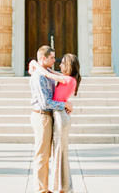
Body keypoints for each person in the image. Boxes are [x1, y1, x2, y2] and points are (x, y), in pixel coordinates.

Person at [30, 53, 82, 193]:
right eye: (53, 59)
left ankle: (62, 188)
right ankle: (60, 186)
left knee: (59, 152)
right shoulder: (67, 78)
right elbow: (51, 72)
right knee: (58, 152)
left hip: (60, 117)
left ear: (69, 65)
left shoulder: (68, 80)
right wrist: (35, 63)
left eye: (62, 63)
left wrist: (35, 63)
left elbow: (49, 74)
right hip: (58, 114)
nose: (58, 64)